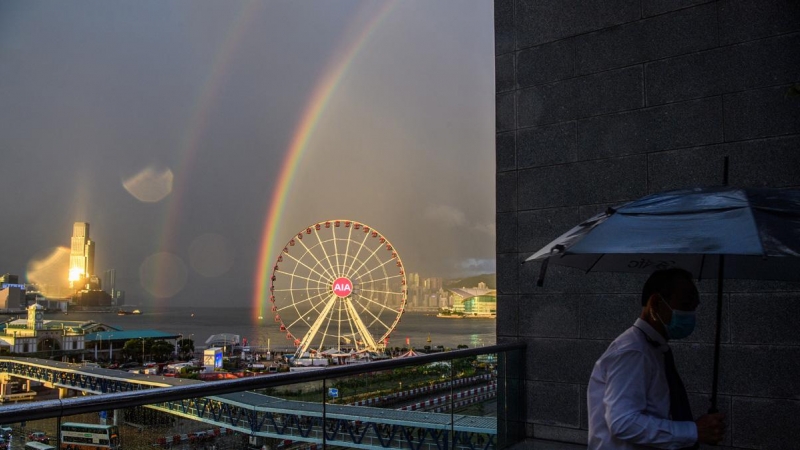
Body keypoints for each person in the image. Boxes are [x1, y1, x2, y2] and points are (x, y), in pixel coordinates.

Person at [587, 268, 726, 449]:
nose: (690, 314)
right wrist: (692, 431)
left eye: (694, 306)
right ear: (655, 303)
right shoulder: (633, 352)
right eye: (685, 304)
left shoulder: (654, 349)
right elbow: (623, 422)